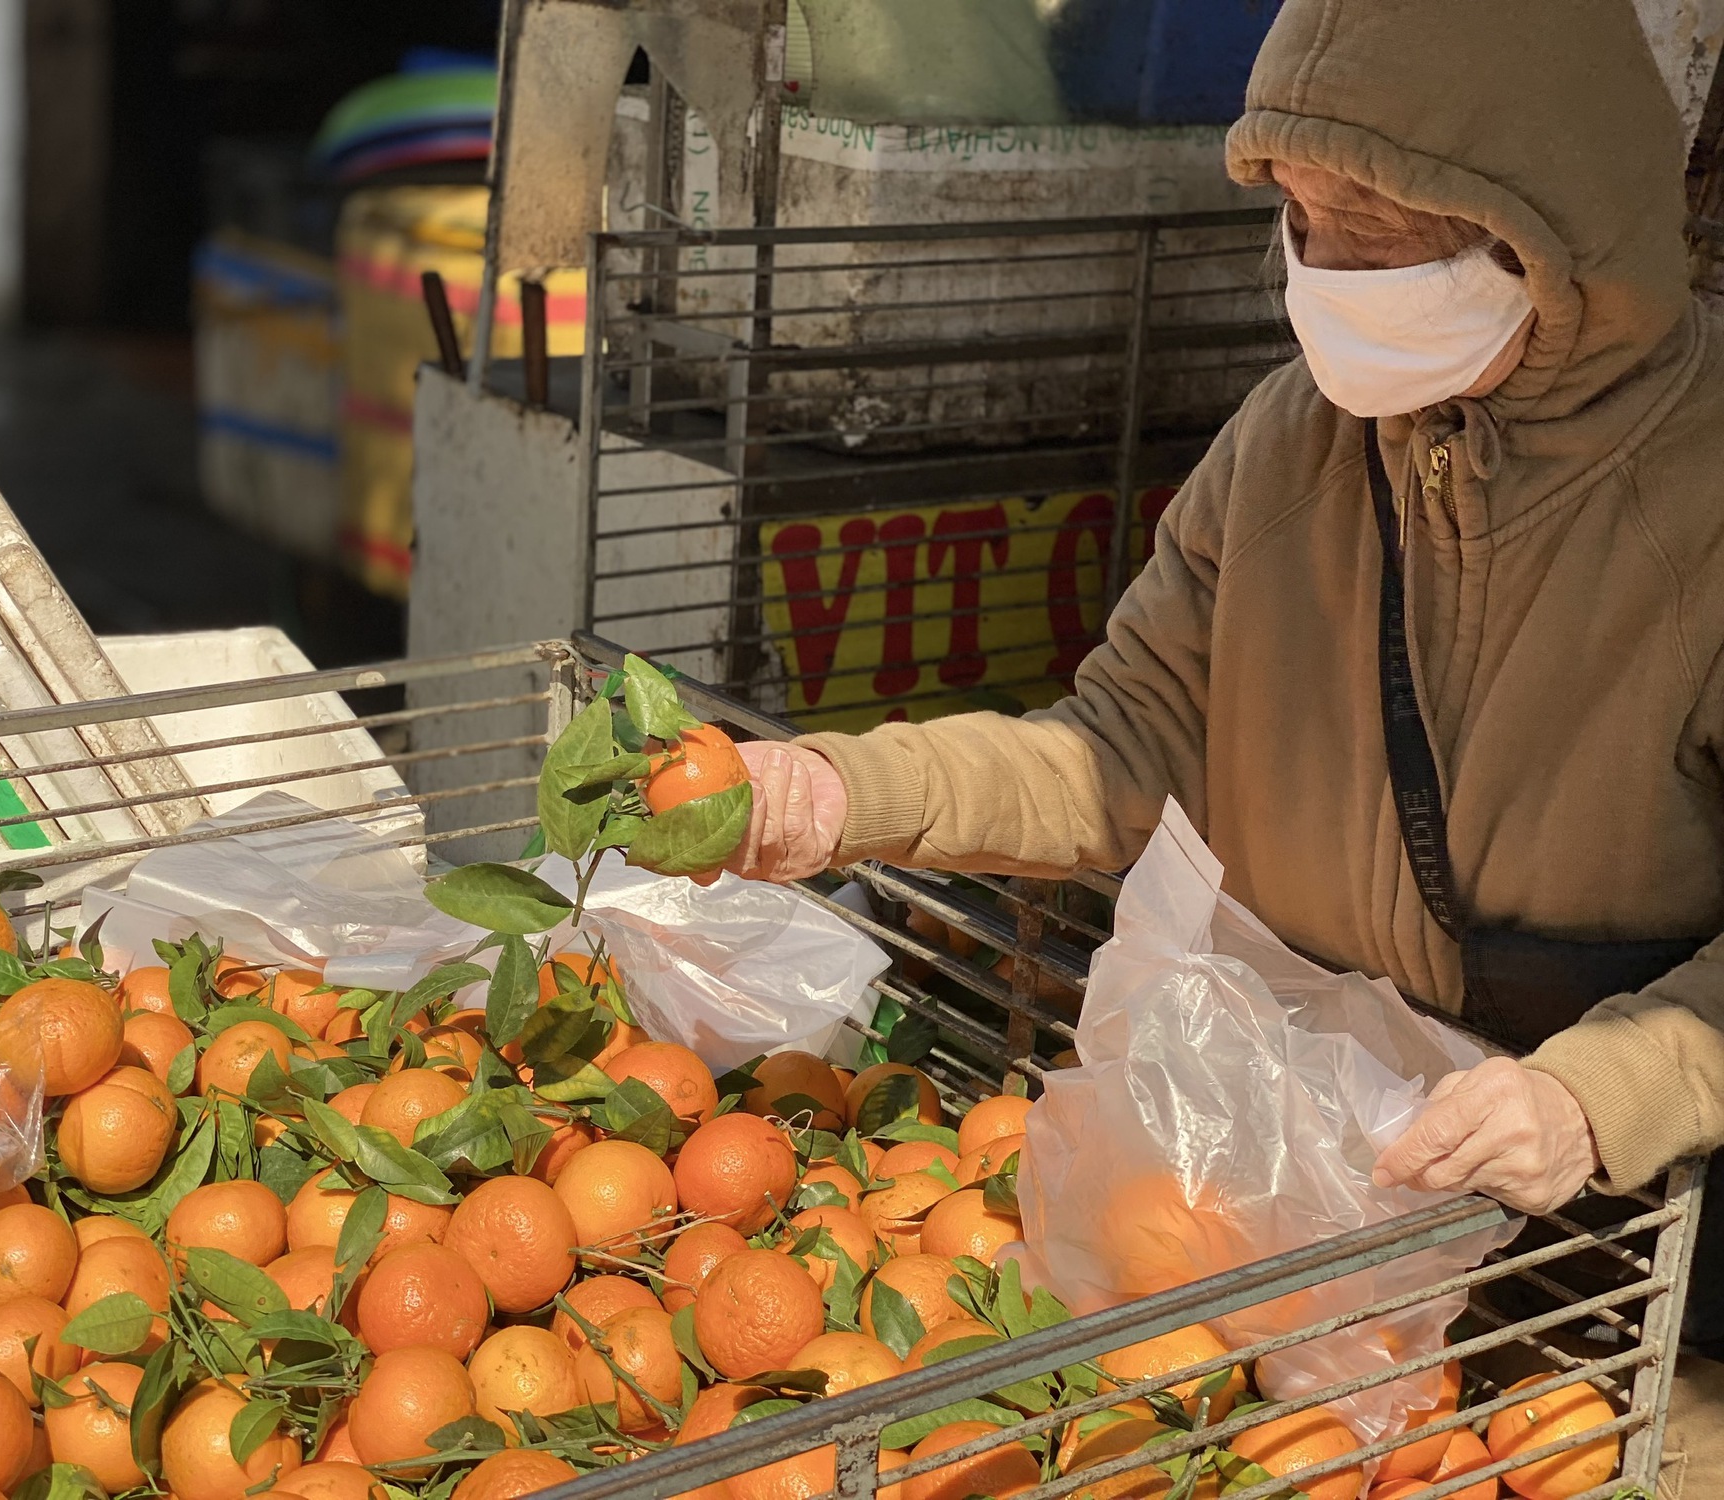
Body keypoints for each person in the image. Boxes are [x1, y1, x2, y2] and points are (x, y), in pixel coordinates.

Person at [726, 0, 1724, 1489]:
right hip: (1303, 1234)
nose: (1323, 275)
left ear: (1548, 225)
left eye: (1376, 230)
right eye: (1302, 221)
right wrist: (843, 790)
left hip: (1623, 1282)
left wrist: (1599, 1096)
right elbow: (1119, 745)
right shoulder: (1290, 445)